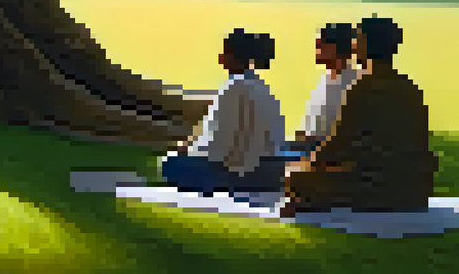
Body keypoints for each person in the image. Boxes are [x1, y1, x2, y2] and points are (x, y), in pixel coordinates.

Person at [281, 16, 438, 216]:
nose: (354, 48)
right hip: (416, 188)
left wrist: (308, 164)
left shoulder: (362, 87)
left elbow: (338, 145)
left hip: (377, 187)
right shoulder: (410, 87)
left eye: (358, 41)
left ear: (367, 44)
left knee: (295, 177)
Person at [160, 29, 287, 196]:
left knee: (169, 163)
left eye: (224, 51)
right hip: (268, 173)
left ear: (232, 55)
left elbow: (218, 146)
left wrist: (188, 149)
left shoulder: (234, 88)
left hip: (240, 176)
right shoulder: (263, 88)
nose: (220, 56)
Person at [282, 23, 360, 158]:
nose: (317, 47)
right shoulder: (327, 79)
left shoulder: (353, 84)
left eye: (321, 43)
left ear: (335, 48)